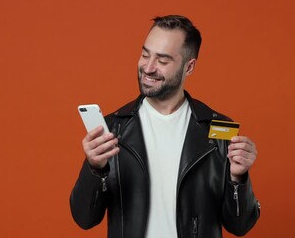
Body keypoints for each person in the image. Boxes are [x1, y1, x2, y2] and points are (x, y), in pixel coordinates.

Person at [70, 15, 260, 238]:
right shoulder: (113, 129)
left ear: (189, 67)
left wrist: (238, 179)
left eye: (162, 61)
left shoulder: (218, 129)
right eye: (144, 54)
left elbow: (240, 226)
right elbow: (84, 219)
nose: (148, 68)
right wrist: (95, 169)